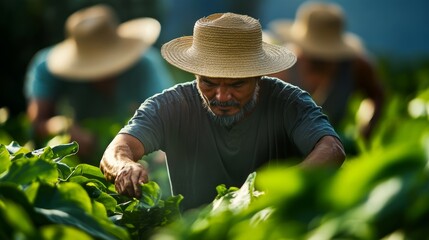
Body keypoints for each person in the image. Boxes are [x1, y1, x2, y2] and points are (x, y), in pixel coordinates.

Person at [100, 12, 346, 211]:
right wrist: (123, 166)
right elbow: (118, 149)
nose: (222, 97)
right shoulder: (171, 105)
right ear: (195, 73)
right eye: (208, 83)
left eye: (237, 84)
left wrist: (279, 188)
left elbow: (331, 149)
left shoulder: (287, 101)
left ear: (258, 76)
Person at [24, 4, 174, 164]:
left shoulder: (144, 64)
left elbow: (168, 121)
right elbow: (37, 123)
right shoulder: (47, 67)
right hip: (78, 159)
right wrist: (62, 128)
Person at [266, 2, 385, 141]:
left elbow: (376, 95)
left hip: (333, 141)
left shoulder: (355, 67)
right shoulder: (280, 68)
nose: (318, 59)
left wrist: (366, 128)